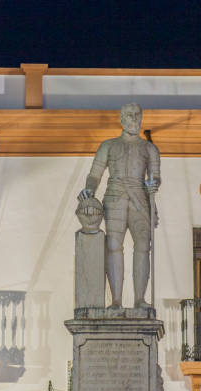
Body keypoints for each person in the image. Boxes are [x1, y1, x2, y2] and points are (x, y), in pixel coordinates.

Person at [78, 103, 160, 309]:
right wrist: (89, 190)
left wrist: (154, 184)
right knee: (114, 246)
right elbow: (95, 174)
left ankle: (140, 299)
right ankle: (116, 300)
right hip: (114, 196)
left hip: (140, 197)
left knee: (143, 246)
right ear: (121, 119)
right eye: (129, 115)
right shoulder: (108, 145)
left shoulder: (150, 148)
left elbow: (155, 176)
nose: (134, 118)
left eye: (137, 115)